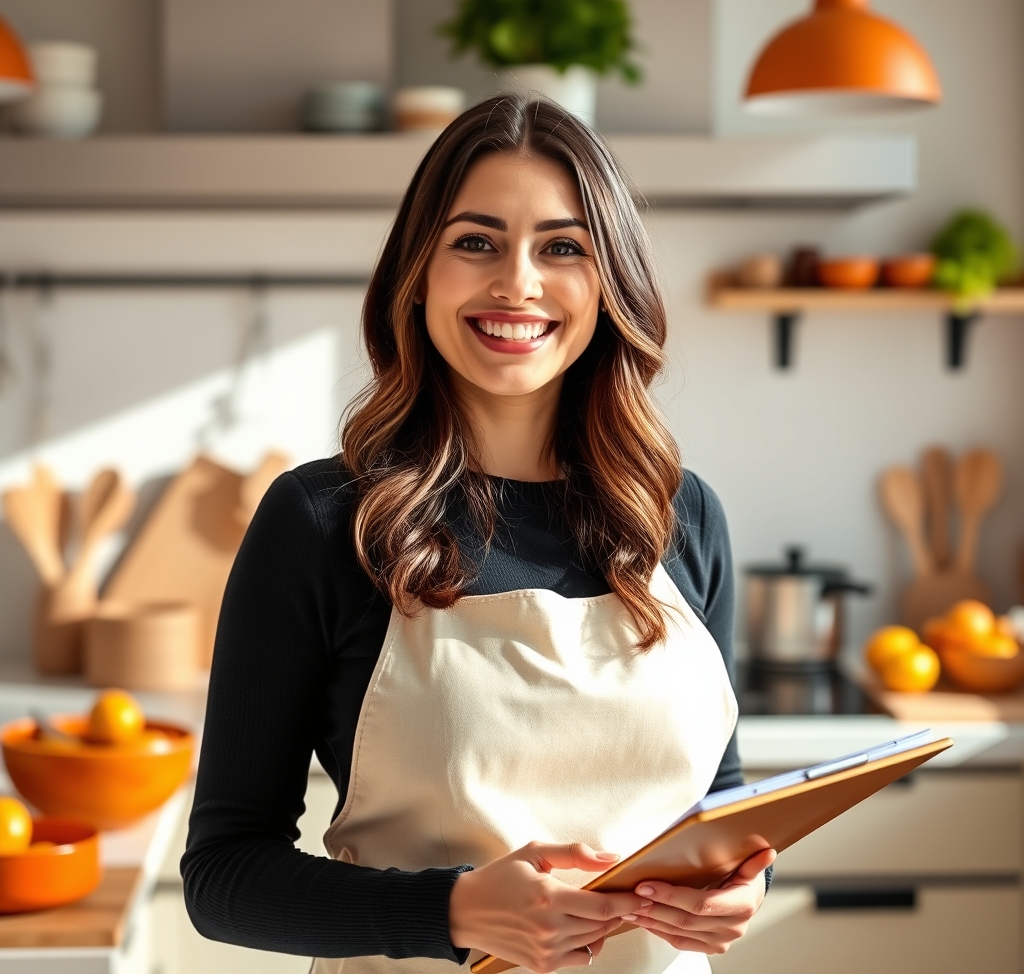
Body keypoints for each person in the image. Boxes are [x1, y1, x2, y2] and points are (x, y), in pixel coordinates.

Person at [181, 95, 774, 974]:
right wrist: (453, 911)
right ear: (418, 272)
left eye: (563, 247)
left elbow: (715, 802)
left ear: (609, 280)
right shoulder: (321, 523)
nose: (519, 283)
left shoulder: (680, 516)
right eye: (476, 241)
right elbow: (224, 876)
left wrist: (741, 890)